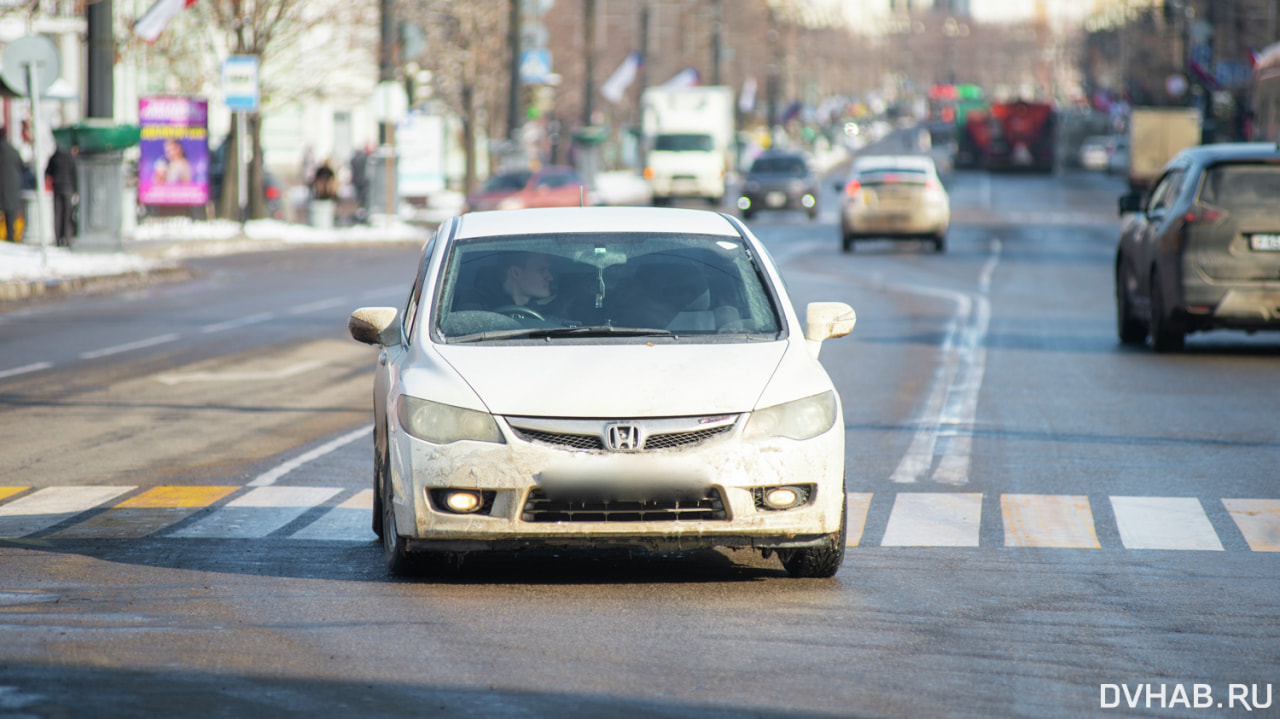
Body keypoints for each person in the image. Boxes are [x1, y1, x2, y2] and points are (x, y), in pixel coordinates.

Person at [45, 145, 78, 247]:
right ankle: (67, 238)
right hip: (68, 188)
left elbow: (47, 172)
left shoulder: (55, 156)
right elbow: (75, 173)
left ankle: (58, 238)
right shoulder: (70, 157)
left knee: (58, 214)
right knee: (68, 214)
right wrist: (76, 189)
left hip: (57, 187)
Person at [0, 129, 24, 242]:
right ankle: (11, 237)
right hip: (11, 189)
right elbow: (22, 166)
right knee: (10, 217)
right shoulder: (13, 152)